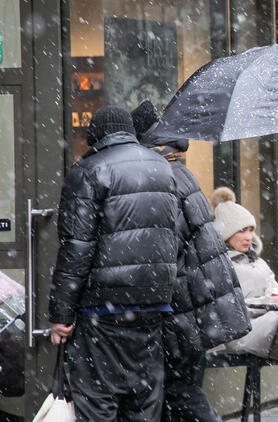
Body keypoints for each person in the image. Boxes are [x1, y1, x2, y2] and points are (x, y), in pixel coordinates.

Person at [48, 106, 179, 422]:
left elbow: (76, 249)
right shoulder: (161, 168)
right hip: (152, 305)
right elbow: (171, 235)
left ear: (95, 136)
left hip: (103, 310)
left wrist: (61, 313)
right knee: (143, 403)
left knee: (97, 402)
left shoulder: (89, 170)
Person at [131, 100, 252, 422]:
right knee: (180, 388)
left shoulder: (164, 179)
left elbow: (167, 248)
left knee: (179, 390)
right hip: (193, 307)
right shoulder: (180, 174)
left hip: (178, 309)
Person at [210, 187, 278, 360]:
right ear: (226, 233)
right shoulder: (219, 265)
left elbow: (275, 293)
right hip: (239, 333)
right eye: (242, 230)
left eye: (251, 230)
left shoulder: (259, 263)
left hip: (267, 325)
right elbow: (227, 313)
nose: (249, 237)